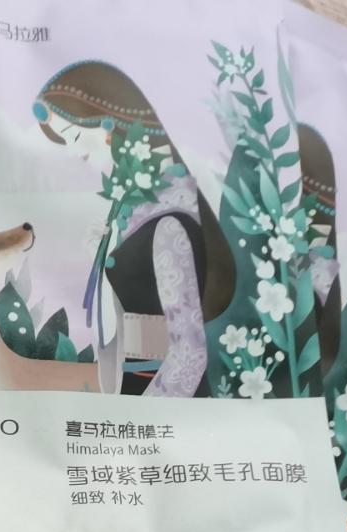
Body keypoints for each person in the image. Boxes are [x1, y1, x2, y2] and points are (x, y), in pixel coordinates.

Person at [32, 62, 234, 397]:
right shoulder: (135, 208)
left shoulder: (169, 219)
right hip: (139, 389)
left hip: (166, 402)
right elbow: (141, 325)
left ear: (109, 124)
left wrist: (142, 413)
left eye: (76, 136)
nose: (75, 151)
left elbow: (187, 352)